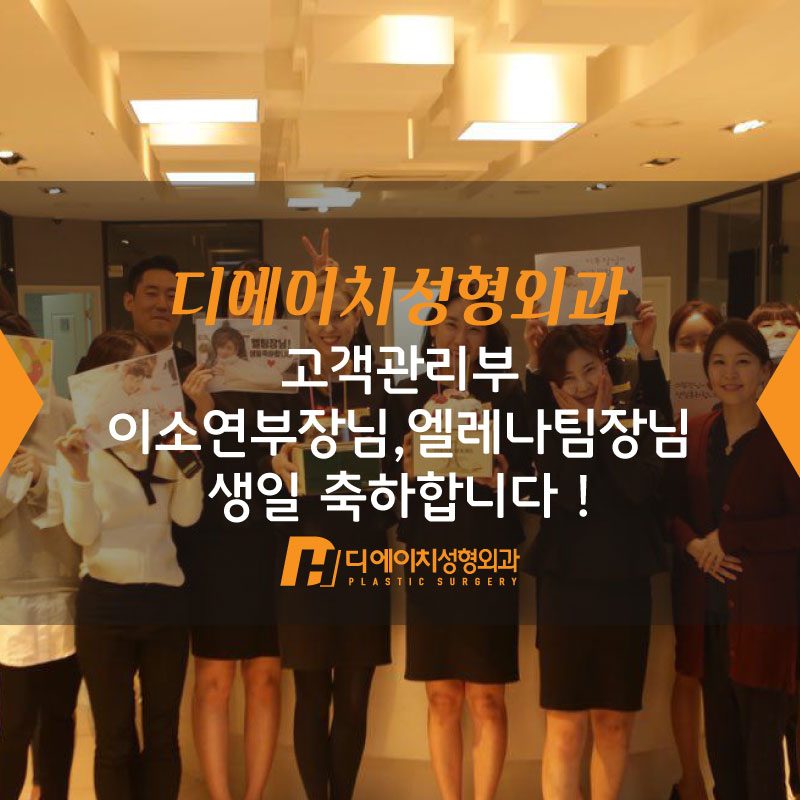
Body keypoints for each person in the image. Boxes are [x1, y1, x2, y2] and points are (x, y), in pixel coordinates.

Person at [385, 287, 531, 800]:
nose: (460, 337)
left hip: (489, 547)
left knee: (488, 696)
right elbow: (383, 485)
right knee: (442, 695)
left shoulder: (509, 395)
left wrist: (504, 477)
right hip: (429, 549)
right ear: (431, 329)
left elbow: (534, 481)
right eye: (451, 325)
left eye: (474, 328)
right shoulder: (407, 394)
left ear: (489, 337)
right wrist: (404, 470)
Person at [47, 329, 204, 800]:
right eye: (132, 373)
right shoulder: (82, 445)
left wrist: (189, 454)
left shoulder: (165, 435)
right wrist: (78, 474)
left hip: (165, 602)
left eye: (148, 372)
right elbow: (83, 534)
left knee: (163, 736)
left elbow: (186, 517)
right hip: (106, 605)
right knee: (113, 740)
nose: (142, 383)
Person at [267, 231, 391, 800]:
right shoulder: (284, 386)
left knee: (356, 697)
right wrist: (277, 462)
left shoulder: (378, 386)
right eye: (318, 315)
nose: (329, 324)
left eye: (340, 314)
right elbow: (260, 462)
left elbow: (399, 468)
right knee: (312, 693)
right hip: (304, 549)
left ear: (356, 318)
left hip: (363, 548)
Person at [526, 326, 666, 800]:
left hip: (625, 586)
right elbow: (571, 495)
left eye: (590, 370)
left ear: (605, 364)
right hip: (566, 587)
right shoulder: (549, 426)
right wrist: (584, 429)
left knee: (614, 723)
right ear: (555, 387)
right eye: (570, 379)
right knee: (565, 726)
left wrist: (604, 426)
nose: (583, 385)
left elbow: (640, 488)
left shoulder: (637, 416)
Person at [671, 319, 800, 800]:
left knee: (762, 763)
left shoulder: (787, 435)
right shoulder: (693, 432)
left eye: (743, 362)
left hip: (766, 621)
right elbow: (669, 508)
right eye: (719, 362)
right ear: (706, 373)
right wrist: (693, 544)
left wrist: (732, 537)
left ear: (765, 371)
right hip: (708, 616)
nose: (730, 373)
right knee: (723, 756)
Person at [182, 262, 284, 800]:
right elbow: (184, 464)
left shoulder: (291, 373)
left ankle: (255, 795)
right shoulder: (192, 377)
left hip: (274, 533)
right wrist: (200, 410)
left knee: (266, 677)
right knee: (214, 678)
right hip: (214, 534)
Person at [0, 311, 81, 800]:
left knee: (59, 716)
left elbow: (85, 494)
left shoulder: (65, 413)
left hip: (63, 582)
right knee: (10, 722)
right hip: (7, 590)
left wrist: (41, 475)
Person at [665, 300, 722, 800]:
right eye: (687, 343)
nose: (698, 352)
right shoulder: (661, 408)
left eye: (708, 342)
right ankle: (691, 782)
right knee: (690, 671)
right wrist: (692, 542)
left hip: (746, 561)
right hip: (691, 562)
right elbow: (664, 497)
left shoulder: (755, 404)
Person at [524, 300, 672, 422]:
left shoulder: (633, 372)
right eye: (569, 377)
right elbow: (536, 431)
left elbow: (662, 424)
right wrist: (537, 356)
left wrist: (646, 350)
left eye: (600, 311)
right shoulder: (553, 381)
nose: (583, 387)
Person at [123, 255, 194, 375]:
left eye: (172, 296)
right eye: (152, 293)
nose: (162, 305)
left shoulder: (194, 369)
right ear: (129, 302)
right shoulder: (105, 364)